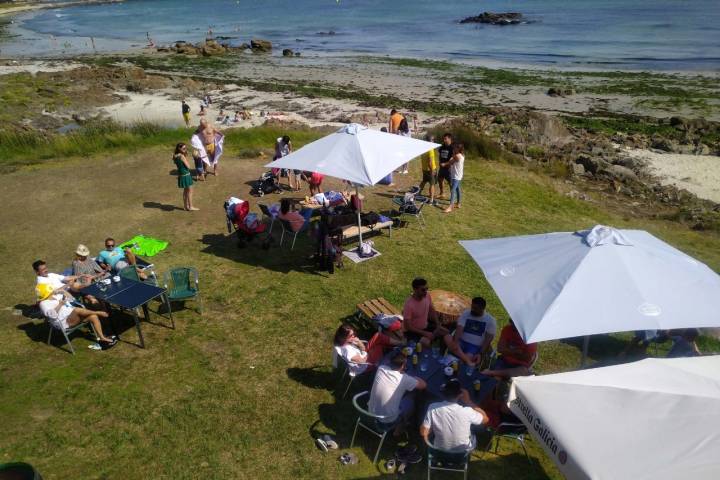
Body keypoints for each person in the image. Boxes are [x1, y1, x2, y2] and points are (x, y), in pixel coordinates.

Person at [36, 282, 116, 347]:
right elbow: (51, 315)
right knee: (77, 310)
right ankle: (98, 312)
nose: (53, 290)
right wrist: (60, 304)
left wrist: (64, 292)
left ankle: (102, 337)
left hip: (73, 316)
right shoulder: (43, 304)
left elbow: (72, 300)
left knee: (93, 317)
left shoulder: (55, 297)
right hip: (64, 322)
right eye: (51, 289)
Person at [420, 378, 489, 453]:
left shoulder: (432, 408)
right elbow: (486, 419)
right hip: (463, 453)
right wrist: (469, 401)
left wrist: (434, 425)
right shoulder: (467, 411)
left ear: (443, 392)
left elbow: (423, 432)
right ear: (460, 395)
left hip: (439, 451)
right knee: (477, 428)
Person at [368, 351, 427, 432]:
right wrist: (415, 377)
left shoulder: (381, 368)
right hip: (388, 420)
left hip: (370, 412)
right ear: (403, 366)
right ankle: (399, 430)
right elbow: (423, 385)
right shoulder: (404, 379)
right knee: (411, 399)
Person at [445, 297, 496, 367]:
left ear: (482, 309)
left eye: (475, 308)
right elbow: (459, 328)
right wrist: (456, 342)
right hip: (461, 341)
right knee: (447, 337)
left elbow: (488, 340)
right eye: (472, 307)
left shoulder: (490, 320)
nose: (472, 310)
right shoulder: (466, 313)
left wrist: (480, 353)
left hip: (474, 346)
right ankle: (467, 360)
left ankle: (463, 360)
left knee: (462, 361)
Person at [402, 278, 449, 347]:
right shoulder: (409, 304)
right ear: (415, 289)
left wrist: (438, 324)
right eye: (423, 290)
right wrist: (425, 333)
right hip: (413, 331)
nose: (426, 292)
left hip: (425, 326)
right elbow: (407, 326)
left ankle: (438, 347)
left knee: (446, 332)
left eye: (427, 289)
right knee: (425, 342)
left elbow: (432, 310)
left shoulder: (427, 296)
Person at [173, 143, 198, 211]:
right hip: (186, 175)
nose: (185, 149)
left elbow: (178, 163)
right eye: (183, 148)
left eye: (185, 148)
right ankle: (190, 206)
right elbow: (188, 166)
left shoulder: (175, 156)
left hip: (181, 175)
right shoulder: (182, 156)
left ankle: (185, 206)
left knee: (185, 191)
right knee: (190, 191)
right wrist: (186, 158)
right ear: (179, 149)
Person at [443, 143, 464, 213]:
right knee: (458, 189)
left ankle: (450, 207)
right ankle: (458, 203)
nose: (453, 149)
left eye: (455, 148)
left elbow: (451, 162)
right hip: (458, 175)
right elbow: (452, 162)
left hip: (456, 176)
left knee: (453, 190)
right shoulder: (460, 155)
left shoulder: (457, 156)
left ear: (458, 149)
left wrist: (444, 164)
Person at [418, 134, 438, 204]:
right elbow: (430, 162)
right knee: (432, 184)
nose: (433, 141)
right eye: (433, 140)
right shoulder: (430, 149)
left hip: (424, 169)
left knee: (424, 181)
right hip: (430, 169)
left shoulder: (423, 148)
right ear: (430, 141)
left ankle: (418, 193)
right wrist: (432, 170)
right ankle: (431, 200)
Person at [437, 133, 453, 199]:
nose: (444, 140)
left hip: (449, 168)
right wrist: (440, 162)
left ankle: (453, 196)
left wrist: (446, 164)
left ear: (450, 139)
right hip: (441, 167)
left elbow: (453, 158)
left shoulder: (452, 148)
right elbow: (440, 154)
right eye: (443, 139)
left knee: (451, 183)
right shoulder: (442, 146)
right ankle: (442, 193)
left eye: (445, 139)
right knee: (440, 180)